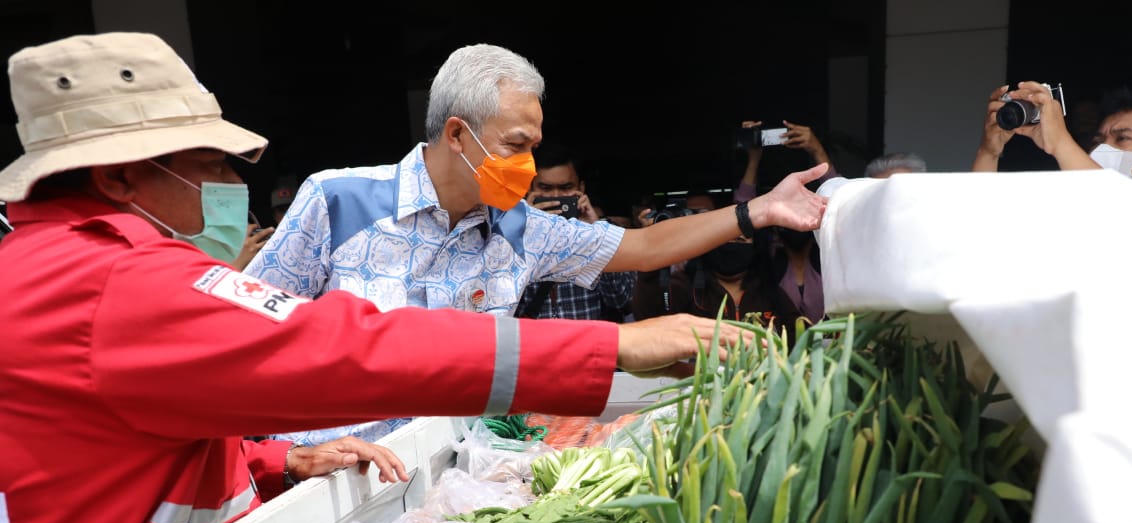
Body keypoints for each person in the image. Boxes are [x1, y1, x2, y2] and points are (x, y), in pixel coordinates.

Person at [0, 32, 762, 523]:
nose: (226, 180)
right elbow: (334, 347)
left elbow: (150, 418)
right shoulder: (118, 285)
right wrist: (609, 351)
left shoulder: (74, 271)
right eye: (207, 162)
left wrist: (277, 459)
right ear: (119, 180)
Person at [245, 42, 826, 445]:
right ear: (457, 134)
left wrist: (758, 211)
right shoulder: (338, 201)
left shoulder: (522, 229)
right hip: (327, 477)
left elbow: (645, 249)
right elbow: (249, 331)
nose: (526, 166)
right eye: (516, 145)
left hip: (458, 469)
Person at [972, 81, 1132, 197]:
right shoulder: (1068, 206)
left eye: (1122, 138)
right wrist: (989, 151)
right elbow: (978, 224)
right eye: (1098, 140)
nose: (1104, 148)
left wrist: (1058, 140)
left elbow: (1117, 203)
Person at [513, 140, 636, 322]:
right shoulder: (509, 235)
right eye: (545, 188)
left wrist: (595, 234)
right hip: (535, 347)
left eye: (565, 188)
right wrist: (523, 229)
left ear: (581, 189)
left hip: (589, 346)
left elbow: (620, 301)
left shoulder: (605, 231)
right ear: (528, 190)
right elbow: (504, 309)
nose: (556, 197)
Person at [732, 120, 837, 326]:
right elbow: (742, 214)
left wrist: (816, 149)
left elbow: (838, 196)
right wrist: (754, 159)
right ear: (778, 228)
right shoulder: (768, 262)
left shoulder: (828, 258)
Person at [631, 229, 803, 345]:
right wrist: (652, 261)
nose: (731, 246)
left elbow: (800, 338)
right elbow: (648, 317)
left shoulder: (770, 293)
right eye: (723, 240)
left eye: (740, 240)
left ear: (755, 248)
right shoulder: (685, 286)